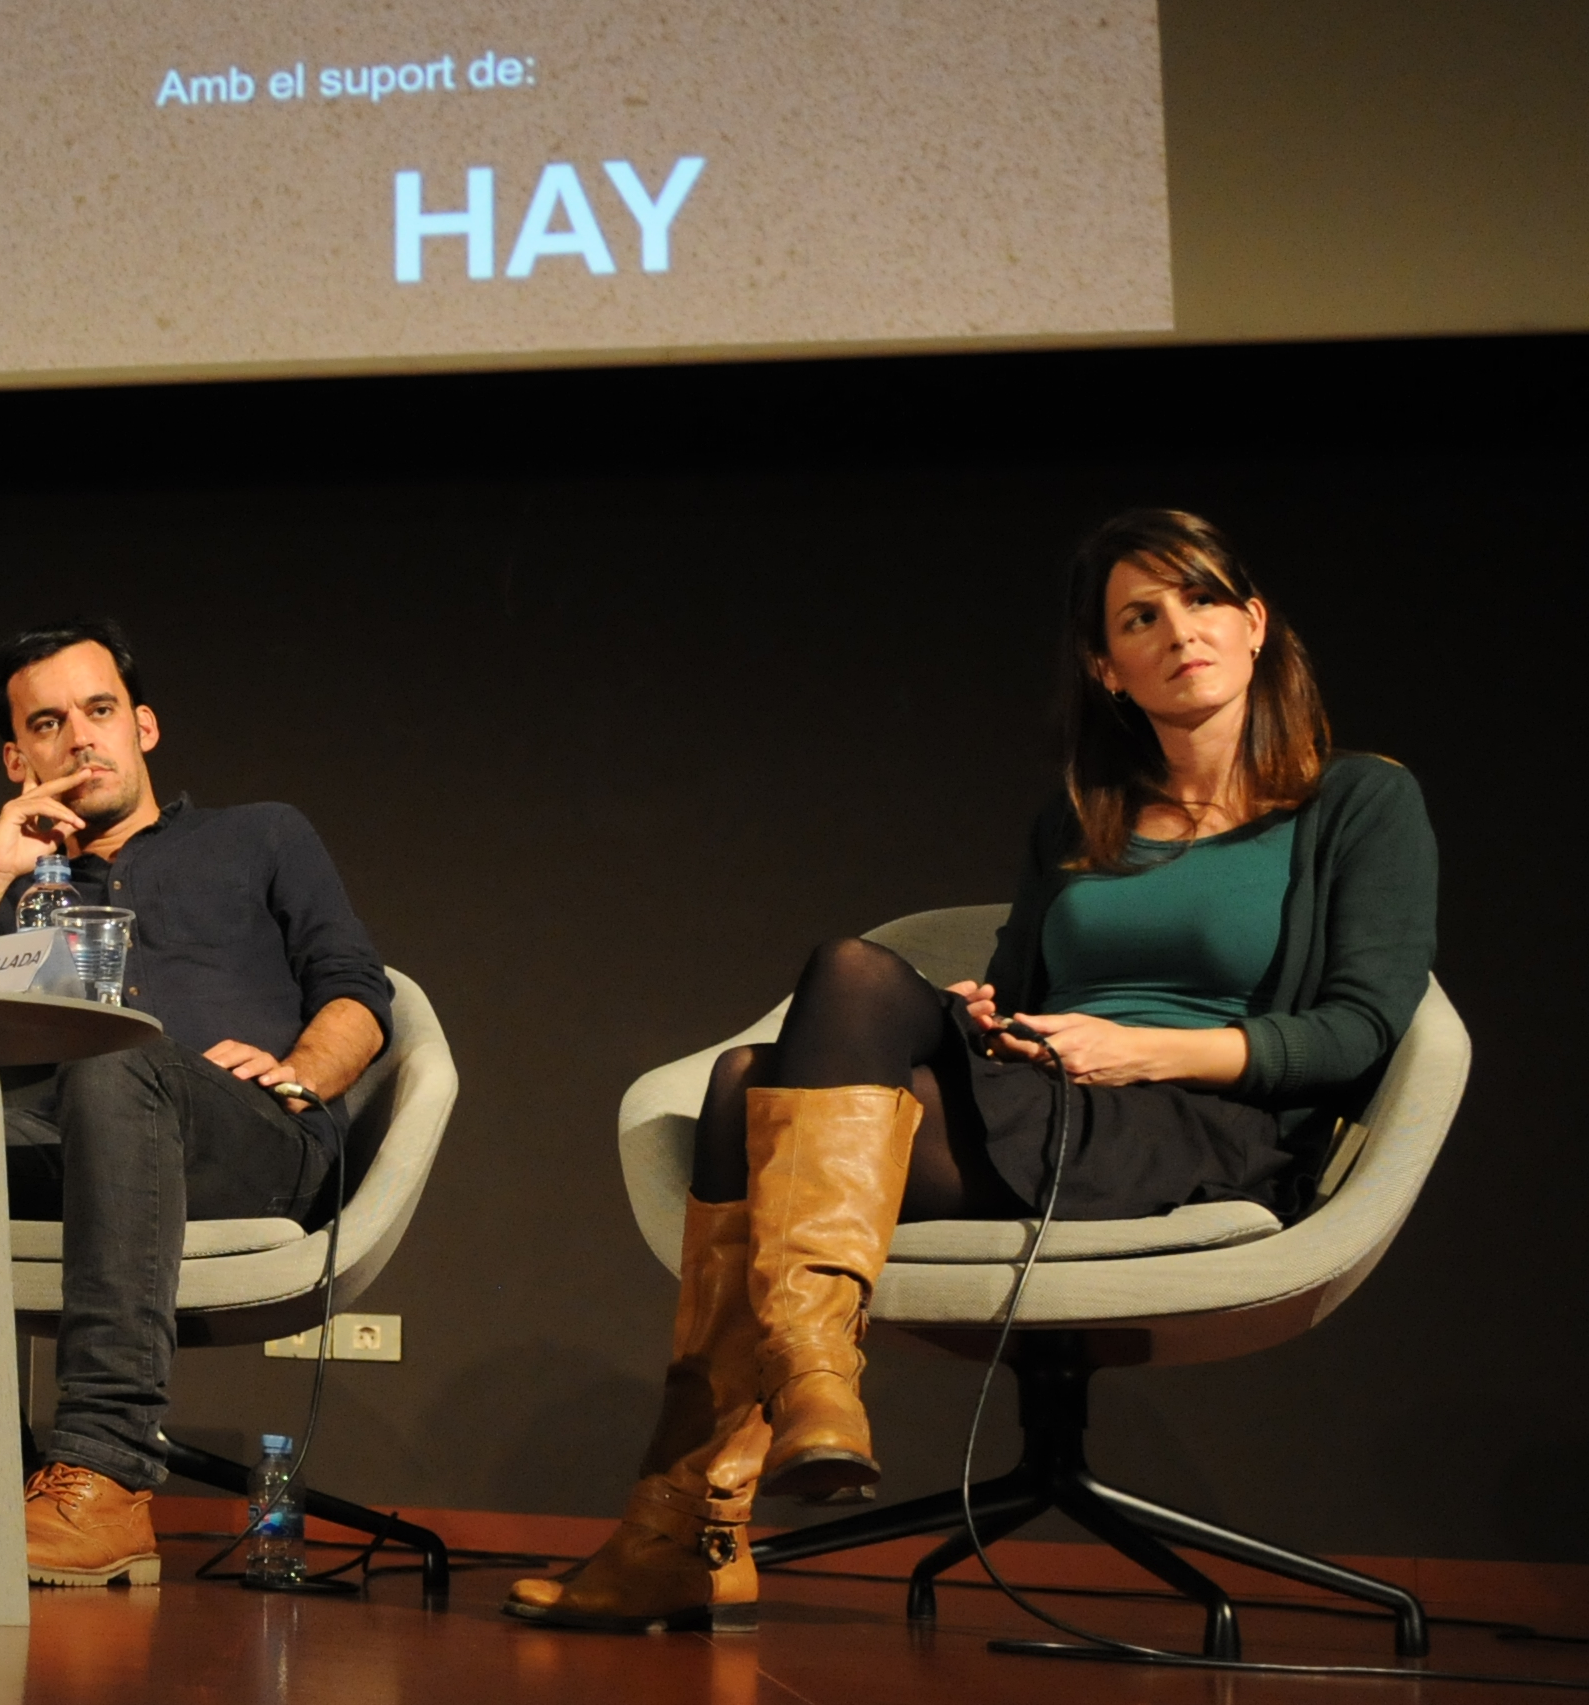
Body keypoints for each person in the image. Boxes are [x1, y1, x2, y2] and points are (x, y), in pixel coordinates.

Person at [511, 508, 1438, 1632]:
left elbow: (1359, 1031)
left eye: (1199, 600)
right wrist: (993, 1016)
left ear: (1252, 625)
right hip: (1047, 1098)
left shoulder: (1358, 801)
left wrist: (1140, 1047)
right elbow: (1018, 980)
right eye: (1139, 616)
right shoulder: (1080, 816)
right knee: (776, 1050)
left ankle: (698, 1513)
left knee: (763, 1074)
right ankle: (781, 1420)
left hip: (1203, 1125)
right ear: (1106, 667)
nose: (1176, 630)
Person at [0, 619, 390, 1585]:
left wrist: (302, 1073)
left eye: (100, 711)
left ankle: (105, 1468)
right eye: (50, 723)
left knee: (116, 1056)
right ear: (19, 757)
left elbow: (357, 988)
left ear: (143, 726)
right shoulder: (28, 889)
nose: (80, 738)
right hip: (75, 1140)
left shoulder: (261, 833)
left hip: (247, 1136)